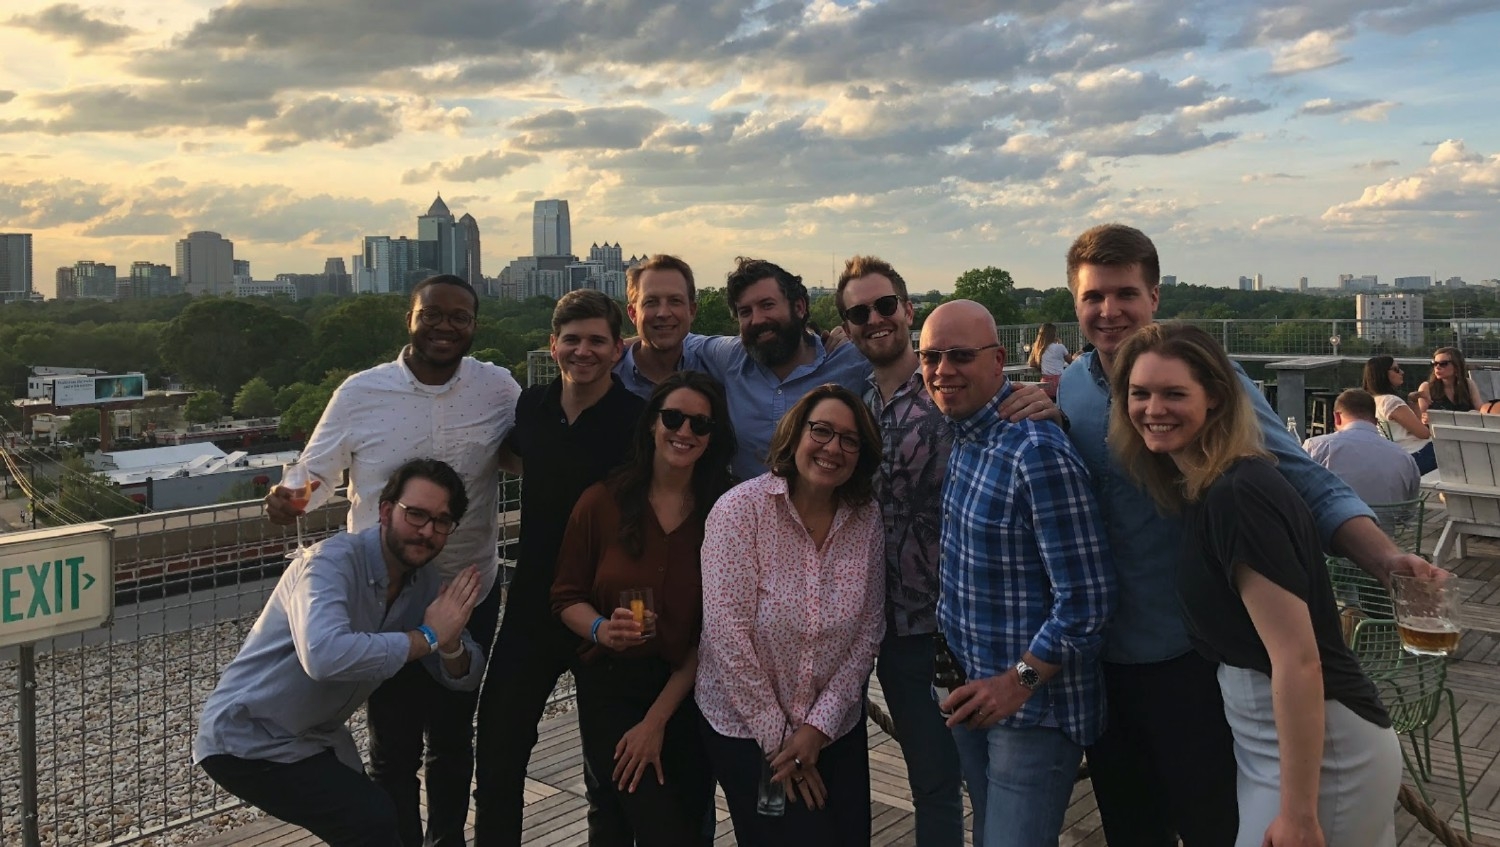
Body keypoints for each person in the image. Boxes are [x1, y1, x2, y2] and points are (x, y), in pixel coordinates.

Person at [1056, 223, 1441, 847]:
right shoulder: (1073, 387)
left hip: (1194, 655)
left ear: (1154, 297)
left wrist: (1388, 560)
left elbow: (1301, 478)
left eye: (1125, 293)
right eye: (1093, 297)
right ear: (1075, 305)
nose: (1109, 310)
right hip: (1106, 654)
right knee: (1131, 824)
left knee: (1211, 820)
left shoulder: (1216, 389)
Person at [1109, 323, 1402, 846]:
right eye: (1140, 393)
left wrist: (1299, 813)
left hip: (1322, 756)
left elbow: (1298, 658)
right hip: (1279, 746)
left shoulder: (1238, 495)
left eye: (1175, 393)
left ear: (1217, 398)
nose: (1154, 408)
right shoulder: (1208, 487)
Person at [264, 273, 520, 847]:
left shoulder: (499, 388)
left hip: (467, 590)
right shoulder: (361, 391)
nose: (445, 326)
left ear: (475, 324)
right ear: (410, 317)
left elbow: (528, 451)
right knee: (394, 747)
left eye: (459, 316)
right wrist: (289, 495)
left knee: (454, 740)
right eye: (432, 314)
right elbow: (317, 471)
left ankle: (447, 840)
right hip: (387, 599)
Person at [197, 460, 486, 847]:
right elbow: (323, 655)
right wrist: (428, 637)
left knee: (381, 822)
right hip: (247, 735)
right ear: (385, 511)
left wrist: (449, 643)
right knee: (369, 818)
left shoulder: (423, 583)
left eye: (441, 522)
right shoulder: (329, 563)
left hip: (314, 739)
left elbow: (465, 675)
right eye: (415, 515)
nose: (427, 531)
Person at [919, 300, 1115, 846]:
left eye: (960, 355)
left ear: (999, 359)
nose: (942, 370)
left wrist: (1016, 682)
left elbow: (1088, 600)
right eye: (930, 356)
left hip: (1031, 712)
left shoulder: (1034, 452)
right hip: (973, 691)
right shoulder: (966, 437)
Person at [473, 289, 646, 847]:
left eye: (597, 340)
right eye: (571, 340)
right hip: (531, 604)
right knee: (498, 751)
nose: (583, 350)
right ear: (554, 345)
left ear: (619, 349)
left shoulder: (638, 421)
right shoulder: (532, 407)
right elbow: (514, 454)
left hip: (604, 607)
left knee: (606, 769)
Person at [550, 371, 736, 845]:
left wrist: (656, 721)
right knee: (615, 819)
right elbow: (566, 596)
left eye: (701, 424)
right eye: (673, 418)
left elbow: (717, 632)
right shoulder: (601, 503)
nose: (685, 432)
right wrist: (599, 629)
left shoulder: (725, 514)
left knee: (684, 821)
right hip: (610, 687)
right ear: (652, 423)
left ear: (714, 437)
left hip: (689, 693)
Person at [696, 384, 885, 845]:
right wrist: (785, 746)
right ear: (795, 434)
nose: (833, 448)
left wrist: (816, 731)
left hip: (832, 726)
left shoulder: (866, 517)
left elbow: (868, 631)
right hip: (746, 726)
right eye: (821, 431)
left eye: (849, 439)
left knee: (847, 836)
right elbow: (728, 639)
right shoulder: (740, 511)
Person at [835, 255, 964, 846]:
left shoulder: (948, 390)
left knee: (973, 781)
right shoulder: (853, 408)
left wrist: (1050, 406)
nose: (875, 319)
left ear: (908, 310)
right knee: (929, 783)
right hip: (886, 627)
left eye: (885, 305)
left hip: (956, 624)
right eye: (859, 312)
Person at [694, 257, 871, 479]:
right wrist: (636, 342)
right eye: (745, 312)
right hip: (747, 512)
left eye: (767, 305)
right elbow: (675, 340)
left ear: (799, 307)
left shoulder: (850, 361)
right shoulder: (731, 357)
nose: (757, 320)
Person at [1303, 389, 1421, 505]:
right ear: (1375, 421)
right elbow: (1408, 511)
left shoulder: (1315, 447)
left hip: (1332, 522)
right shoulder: (1404, 458)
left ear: (1337, 417)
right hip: (1384, 524)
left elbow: (1300, 495)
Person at [614, 254, 707, 399]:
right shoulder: (605, 380)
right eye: (651, 302)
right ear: (633, 313)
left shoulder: (715, 373)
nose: (663, 313)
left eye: (675, 301)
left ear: (692, 311)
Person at [1362, 356, 1436, 475]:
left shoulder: (1372, 401)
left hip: (1394, 458)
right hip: (1415, 456)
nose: (1402, 372)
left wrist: (1413, 400)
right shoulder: (1392, 402)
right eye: (1396, 369)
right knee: (1456, 450)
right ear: (1383, 374)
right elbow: (1424, 434)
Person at [1418, 346, 1483, 419]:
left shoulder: (1468, 384)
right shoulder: (1427, 387)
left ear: (1456, 366)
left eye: (1443, 364)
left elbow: (1480, 409)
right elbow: (1422, 415)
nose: (1437, 367)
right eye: (1434, 363)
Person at [1027, 322, 1071, 398]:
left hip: (1045, 384)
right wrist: (1060, 343)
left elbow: (1031, 363)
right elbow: (1070, 361)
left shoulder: (1037, 348)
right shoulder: (1060, 347)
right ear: (1054, 335)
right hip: (1059, 383)